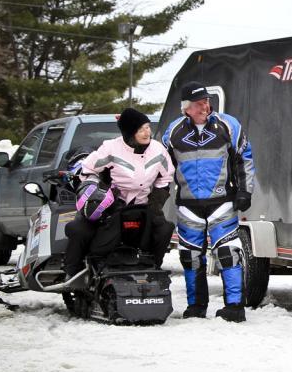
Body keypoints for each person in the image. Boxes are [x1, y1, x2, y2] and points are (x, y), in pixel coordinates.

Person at [163, 81, 256, 322]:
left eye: (205, 101)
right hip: (187, 205)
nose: (204, 106)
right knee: (190, 257)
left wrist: (245, 191)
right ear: (186, 108)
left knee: (228, 253)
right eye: (198, 103)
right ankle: (196, 306)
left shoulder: (228, 124)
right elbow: (162, 166)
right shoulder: (173, 132)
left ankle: (234, 307)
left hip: (222, 202)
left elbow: (244, 157)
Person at [64, 108, 175, 278]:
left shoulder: (158, 150)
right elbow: (87, 170)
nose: (147, 132)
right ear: (130, 132)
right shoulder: (111, 148)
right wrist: (97, 193)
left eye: (147, 127)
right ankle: (73, 273)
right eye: (140, 129)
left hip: (143, 206)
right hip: (109, 205)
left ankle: (153, 268)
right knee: (79, 230)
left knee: (165, 228)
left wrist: (156, 202)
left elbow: (166, 177)